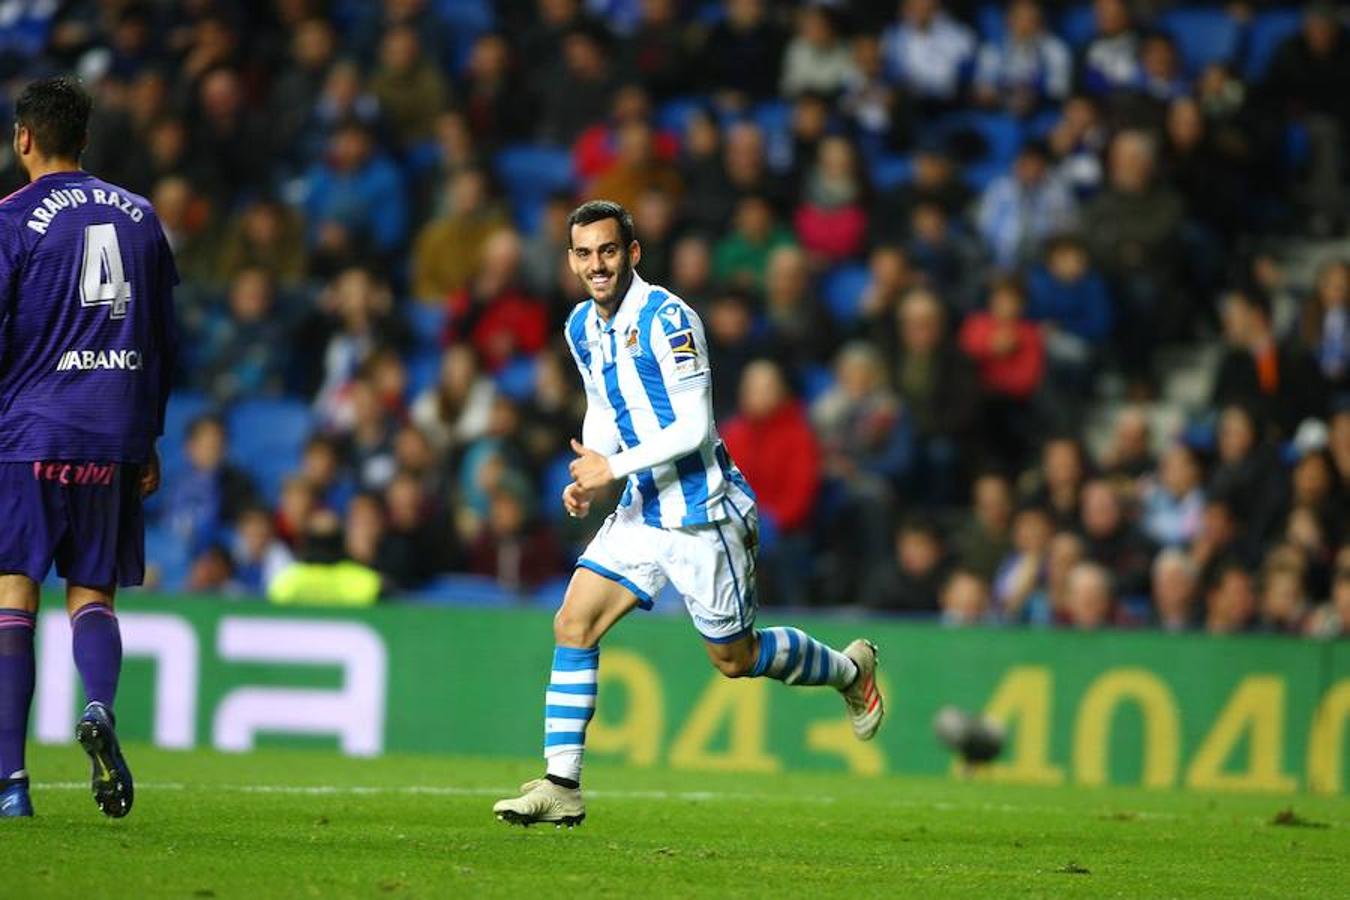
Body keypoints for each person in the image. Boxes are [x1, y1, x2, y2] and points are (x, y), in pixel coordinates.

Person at [492, 201, 883, 828]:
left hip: (703, 512)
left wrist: (611, 469)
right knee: (573, 623)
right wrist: (595, 466)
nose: (598, 264)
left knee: (733, 658)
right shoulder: (579, 327)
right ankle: (562, 783)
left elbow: (696, 427)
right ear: (571, 260)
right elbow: (602, 401)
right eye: (585, 253)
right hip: (642, 506)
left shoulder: (669, 319)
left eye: (609, 251)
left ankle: (847, 669)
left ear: (633, 252)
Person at [0, 77, 178, 819]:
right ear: (84, 138)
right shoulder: (140, 216)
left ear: (24, 139)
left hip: (29, 431)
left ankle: (11, 785)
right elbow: (164, 340)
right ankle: (99, 706)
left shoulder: (11, 218)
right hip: (113, 433)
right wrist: (149, 439)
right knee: (91, 594)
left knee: (12, 597)